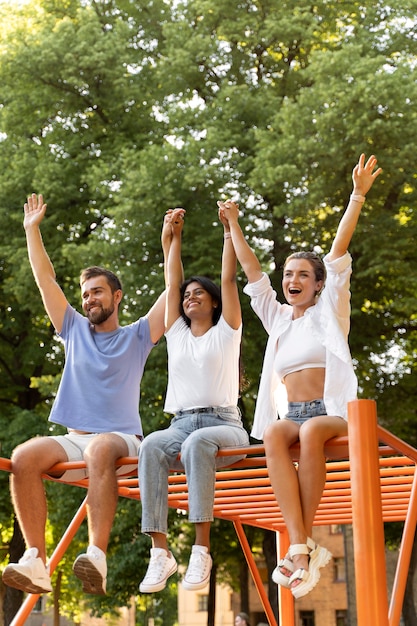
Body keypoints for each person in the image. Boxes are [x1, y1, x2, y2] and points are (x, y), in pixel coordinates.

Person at [222, 154, 382, 599]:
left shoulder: (331, 311)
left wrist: (357, 195)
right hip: (293, 414)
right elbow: (253, 273)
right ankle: (299, 546)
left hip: (330, 414)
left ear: (317, 285)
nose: (292, 279)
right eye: (288, 274)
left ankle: (299, 547)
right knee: (274, 434)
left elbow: (338, 250)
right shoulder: (279, 320)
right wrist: (233, 224)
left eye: (301, 275)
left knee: (311, 432)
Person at [2, 193, 168, 596]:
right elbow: (46, 279)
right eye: (85, 294)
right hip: (76, 439)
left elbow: (173, 290)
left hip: (121, 441)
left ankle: (97, 554)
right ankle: (36, 561)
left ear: (117, 297)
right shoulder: (73, 330)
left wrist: (170, 244)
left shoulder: (139, 335)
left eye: (97, 292)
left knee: (99, 451)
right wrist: (31, 230)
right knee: (24, 456)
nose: (89, 298)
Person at [138, 205, 249, 593]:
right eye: (187, 295)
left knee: (199, 442)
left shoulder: (227, 330)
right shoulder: (177, 334)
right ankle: (160, 552)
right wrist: (174, 238)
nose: (190, 297)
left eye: (199, 293)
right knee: (151, 444)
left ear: (214, 302)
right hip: (179, 424)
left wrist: (227, 230)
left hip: (225, 426)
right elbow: (171, 282)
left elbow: (230, 278)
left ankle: (201, 549)